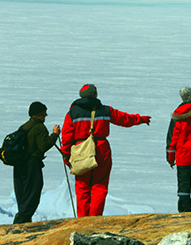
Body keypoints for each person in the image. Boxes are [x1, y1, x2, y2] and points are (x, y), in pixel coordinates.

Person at [60, 84, 151, 217]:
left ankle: (82, 220)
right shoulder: (105, 110)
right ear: (94, 95)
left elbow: (66, 137)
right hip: (102, 150)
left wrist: (66, 156)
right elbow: (124, 119)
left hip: (80, 151)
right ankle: (95, 218)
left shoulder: (72, 113)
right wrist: (141, 119)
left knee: (82, 186)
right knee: (99, 185)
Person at [13, 101, 60, 224]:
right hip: (31, 165)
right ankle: (22, 219)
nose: (46, 116)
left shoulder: (24, 126)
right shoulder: (39, 127)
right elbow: (44, 146)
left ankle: (22, 219)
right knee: (33, 192)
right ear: (39, 114)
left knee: (22, 194)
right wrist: (54, 135)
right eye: (44, 113)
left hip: (19, 165)